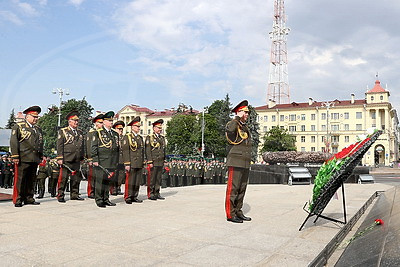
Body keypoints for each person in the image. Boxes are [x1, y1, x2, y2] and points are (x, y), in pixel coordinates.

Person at [10, 106, 44, 207]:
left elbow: (40, 144)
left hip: (34, 158)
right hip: (23, 157)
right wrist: (15, 156)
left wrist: (40, 156)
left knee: (31, 179)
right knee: (20, 179)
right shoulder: (19, 126)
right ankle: (18, 199)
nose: (36, 119)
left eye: (37, 117)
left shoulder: (38, 129)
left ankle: (29, 197)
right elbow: (14, 141)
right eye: (33, 117)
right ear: (27, 116)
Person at [225, 100, 252, 223]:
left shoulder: (244, 127)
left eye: (247, 112)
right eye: (245, 112)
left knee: (242, 188)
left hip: (245, 161)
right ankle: (230, 214)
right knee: (233, 189)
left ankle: (238, 211)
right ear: (239, 112)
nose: (247, 114)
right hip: (235, 161)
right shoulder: (233, 124)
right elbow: (229, 130)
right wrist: (237, 117)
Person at [91, 111, 119, 208]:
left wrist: (116, 161)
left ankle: (106, 199)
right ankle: (99, 199)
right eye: (109, 121)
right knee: (100, 181)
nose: (111, 122)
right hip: (101, 161)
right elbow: (94, 147)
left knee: (107, 182)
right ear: (104, 122)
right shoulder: (97, 133)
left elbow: (116, 149)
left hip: (111, 161)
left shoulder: (115, 134)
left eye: (112, 120)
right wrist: (95, 159)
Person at [56, 110, 85, 202]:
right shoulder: (63, 131)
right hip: (66, 158)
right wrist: (60, 157)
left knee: (76, 178)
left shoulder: (80, 132)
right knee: (63, 178)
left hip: (76, 158)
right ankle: (60, 195)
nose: (76, 122)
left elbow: (82, 146)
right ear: (69, 121)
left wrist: (82, 157)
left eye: (77, 121)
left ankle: (74, 194)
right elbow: (60, 145)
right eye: (74, 121)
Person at [122, 116, 144, 204]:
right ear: (132, 127)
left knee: (137, 180)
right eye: (137, 126)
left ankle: (135, 196)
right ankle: (128, 196)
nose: (138, 128)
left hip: (139, 162)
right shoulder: (127, 137)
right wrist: (127, 163)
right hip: (131, 162)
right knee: (130, 180)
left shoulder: (140, 138)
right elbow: (125, 151)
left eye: (139, 126)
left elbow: (141, 152)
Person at [145, 119, 166, 200]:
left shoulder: (162, 138)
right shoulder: (149, 137)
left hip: (160, 161)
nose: (160, 130)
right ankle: (151, 193)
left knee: (158, 178)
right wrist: (149, 161)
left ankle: (157, 192)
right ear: (154, 128)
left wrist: (164, 159)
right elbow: (148, 150)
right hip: (153, 161)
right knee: (152, 179)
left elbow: (164, 150)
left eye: (160, 128)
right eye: (158, 128)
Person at [85, 113, 104, 199]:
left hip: (101, 159)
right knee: (92, 176)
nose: (101, 124)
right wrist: (90, 158)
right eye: (100, 122)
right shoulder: (91, 133)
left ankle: (97, 192)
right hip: (93, 158)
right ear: (96, 123)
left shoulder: (102, 133)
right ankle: (91, 191)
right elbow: (89, 147)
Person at [111, 120, 125, 196]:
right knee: (114, 175)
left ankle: (118, 187)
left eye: (122, 129)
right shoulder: (112, 137)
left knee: (121, 175)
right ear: (115, 129)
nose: (120, 130)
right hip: (115, 159)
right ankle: (113, 189)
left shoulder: (124, 138)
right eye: (119, 129)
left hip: (122, 159)